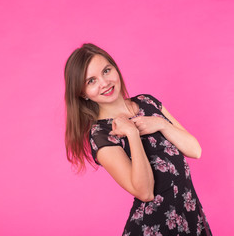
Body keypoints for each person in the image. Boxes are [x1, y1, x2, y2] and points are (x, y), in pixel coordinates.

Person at [64, 43, 212, 236]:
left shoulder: (148, 103)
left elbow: (195, 150)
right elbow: (145, 192)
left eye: (106, 71)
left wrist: (162, 124)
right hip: (154, 228)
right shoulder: (101, 135)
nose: (104, 82)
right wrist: (133, 135)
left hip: (190, 218)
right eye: (91, 81)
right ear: (82, 93)